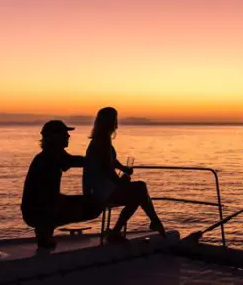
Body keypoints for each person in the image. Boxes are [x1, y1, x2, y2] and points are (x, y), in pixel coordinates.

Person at [82, 107, 165, 242]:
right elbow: (107, 169)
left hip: (101, 188)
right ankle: (153, 222)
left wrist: (123, 168)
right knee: (140, 189)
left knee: (139, 192)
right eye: (115, 119)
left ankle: (152, 222)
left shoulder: (100, 140)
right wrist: (121, 183)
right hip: (100, 191)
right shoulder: (103, 141)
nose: (116, 122)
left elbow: (110, 160)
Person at [21, 120, 102, 249]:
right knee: (94, 205)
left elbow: (76, 161)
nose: (68, 136)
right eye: (64, 133)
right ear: (54, 136)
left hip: (37, 209)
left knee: (86, 203)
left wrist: (100, 162)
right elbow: (45, 197)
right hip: (37, 211)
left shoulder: (55, 155)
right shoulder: (48, 159)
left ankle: (45, 235)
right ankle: (44, 235)